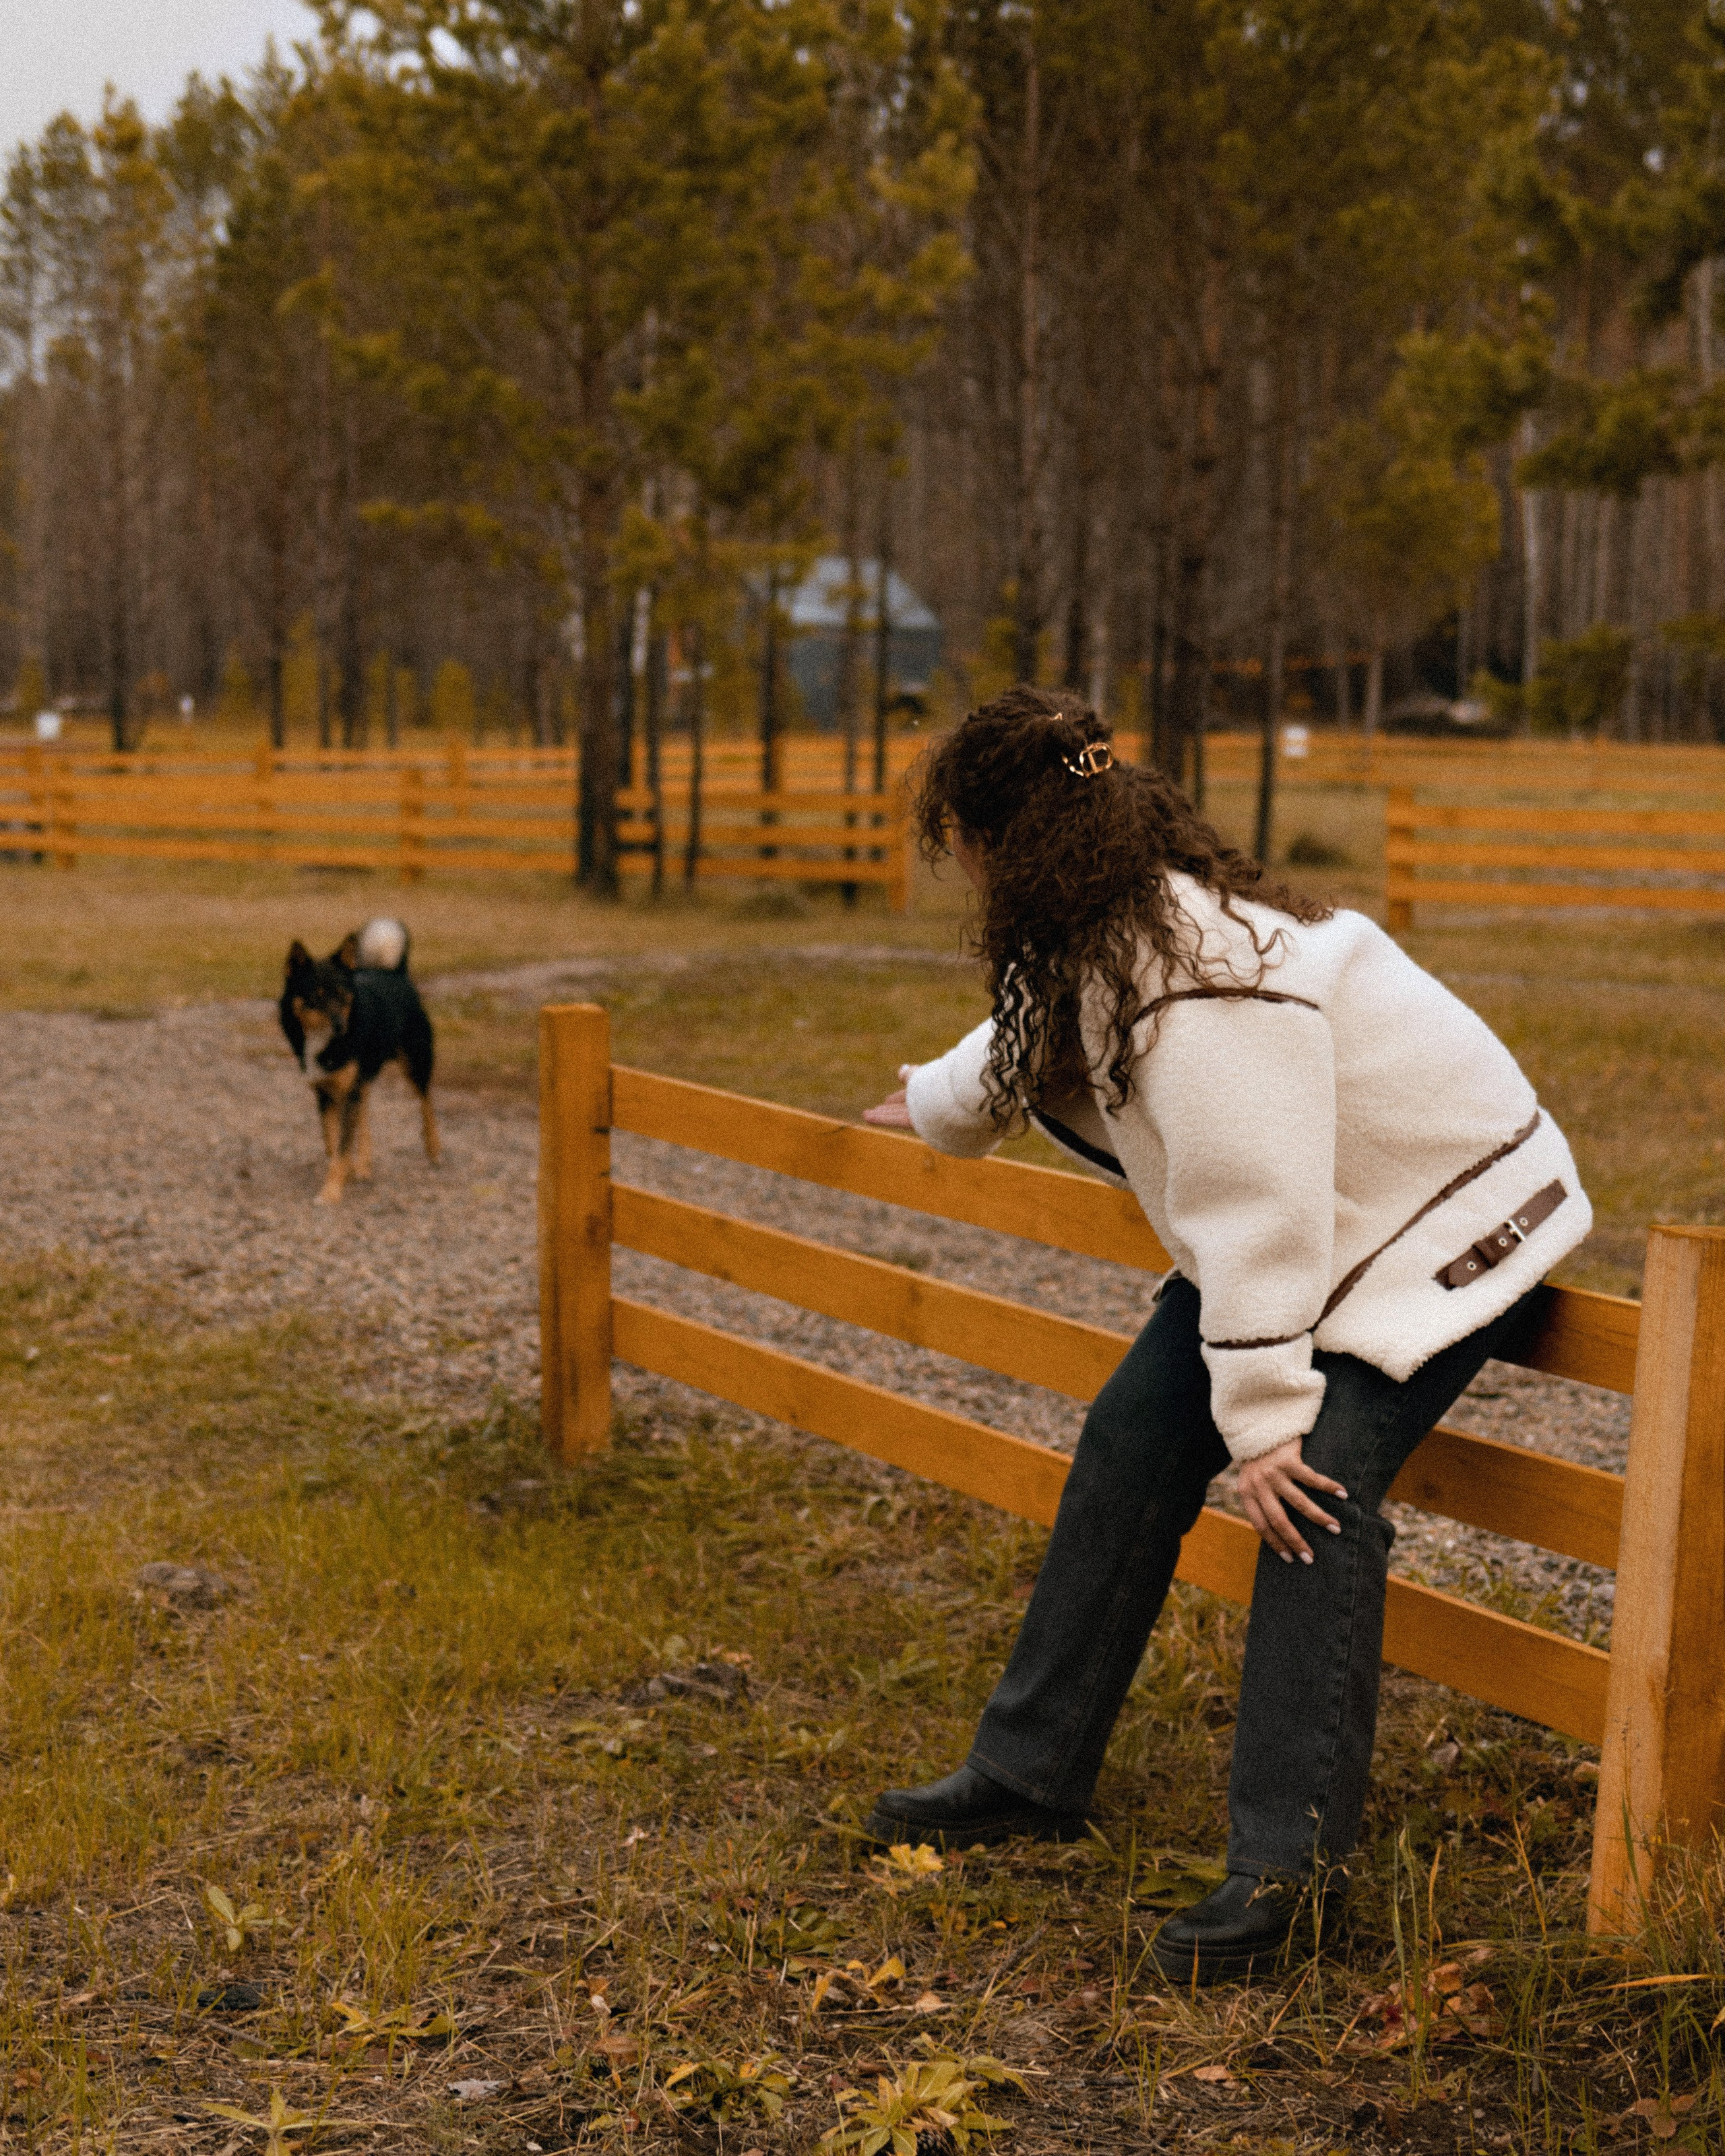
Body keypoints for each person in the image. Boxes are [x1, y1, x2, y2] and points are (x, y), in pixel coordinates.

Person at [859, 685, 1590, 1984]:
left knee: (1312, 1493)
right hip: (1333, 1221)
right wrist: (928, 1103)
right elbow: (1024, 1041)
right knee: (1131, 1440)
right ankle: (1029, 1772)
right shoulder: (1109, 921)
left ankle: (1288, 1876)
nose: (958, 868)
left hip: (1442, 1220)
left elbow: (1255, 1205)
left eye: (956, 842)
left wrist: (1262, 1427)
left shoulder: (1201, 979)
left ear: (993, 842)